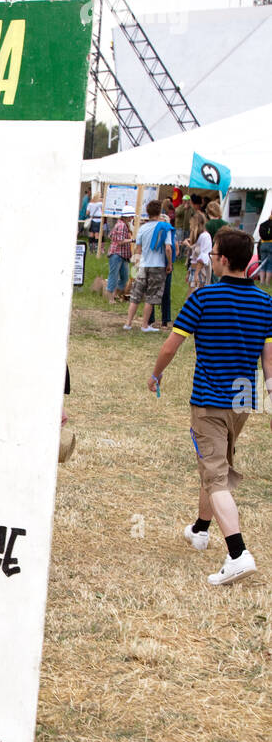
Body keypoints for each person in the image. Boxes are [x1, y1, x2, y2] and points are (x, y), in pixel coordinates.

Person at [146, 229, 272, 586]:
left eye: (213, 253)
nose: (211, 257)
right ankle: (200, 530)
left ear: (223, 260)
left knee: (216, 474)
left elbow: (171, 346)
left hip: (210, 400)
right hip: (243, 399)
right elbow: (269, 358)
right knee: (216, 463)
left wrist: (155, 375)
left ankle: (237, 553)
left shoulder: (204, 298)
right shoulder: (266, 303)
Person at [124, 200, 172, 332]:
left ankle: (128, 323)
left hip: (143, 264)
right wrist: (169, 263)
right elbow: (168, 248)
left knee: (136, 295)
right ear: (160, 211)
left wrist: (136, 264)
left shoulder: (142, 228)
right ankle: (145, 325)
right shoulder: (164, 227)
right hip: (157, 265)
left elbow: (138, 249)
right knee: (151, 296)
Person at [105, 209, 133, 303]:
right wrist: (132, 240)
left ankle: (114, 295)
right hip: (117, 254)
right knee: (114, 276)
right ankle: (110, 298)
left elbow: (110, 235)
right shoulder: (121, 225)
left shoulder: (121, 224)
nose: (132, 218)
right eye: (131, 216)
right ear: (127, 216)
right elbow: (120, 241)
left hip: (122, 254)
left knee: (124, 277)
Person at [187, 211, 212, 293]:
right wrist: (190, 271)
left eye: (191, 224)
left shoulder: (205, 236)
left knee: (196, 297)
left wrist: (196, 273)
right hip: (194, 269)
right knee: (190, 297)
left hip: (200, 271)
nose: (190, 226)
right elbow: (194, 257)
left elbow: (203, 256)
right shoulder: (199, 236)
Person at [257, 213, 272, 289]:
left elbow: (261, 235)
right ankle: (267, 283)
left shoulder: (263, 224)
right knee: (270, 265)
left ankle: (262, 282)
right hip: (271, 244)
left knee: (262, 264)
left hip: (262, 244)